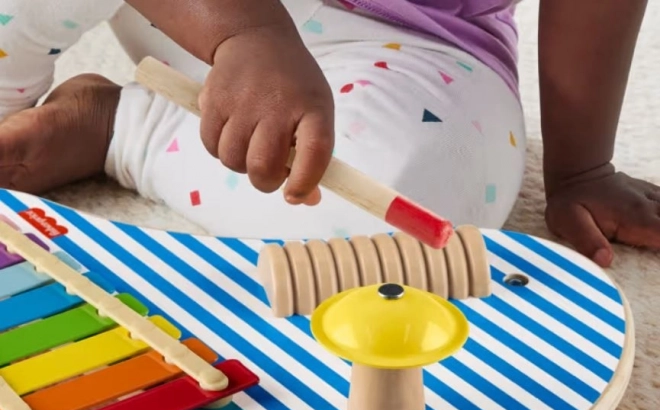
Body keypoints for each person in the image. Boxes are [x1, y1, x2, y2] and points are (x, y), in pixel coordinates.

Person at [0, 0, 656, 266]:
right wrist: (246, 32)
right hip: (195, 14)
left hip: (410, 47)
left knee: (397, 220)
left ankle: (123, 126)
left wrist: (582, 170)